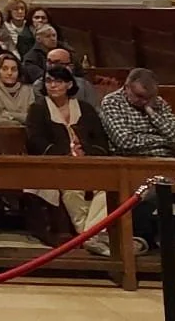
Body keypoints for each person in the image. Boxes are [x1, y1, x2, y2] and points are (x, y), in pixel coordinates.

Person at [26, 65, 126, 255]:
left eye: (58, 81)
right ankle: (91, 236)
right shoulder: (38, 109)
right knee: (72, 190)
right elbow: (35, 140)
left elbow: (100, 141)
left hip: (88, 164)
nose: (53, 85)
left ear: (69, 84)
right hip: (57, 166)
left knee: (107, 190)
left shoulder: (85, 109)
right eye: (49, 81)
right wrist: (66, 153)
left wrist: (86, 152)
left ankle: (88, 235)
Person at [99, 68, 175, 158]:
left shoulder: (158, 102)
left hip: (168, 159)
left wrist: (153, 114)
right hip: (133, 162)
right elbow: (125, 142)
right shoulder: (112, 102)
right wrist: (165, 141)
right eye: (140, 96)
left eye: (149, 97)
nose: (145, 101)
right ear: (127, 87)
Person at [0, 53, 35, 128]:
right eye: (4, 69)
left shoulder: (28, 90)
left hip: (28, 135)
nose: (9, 73)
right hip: (1, 135)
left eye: (14, 69)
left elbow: (33, 118)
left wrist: (8, 114)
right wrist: (20, 124)